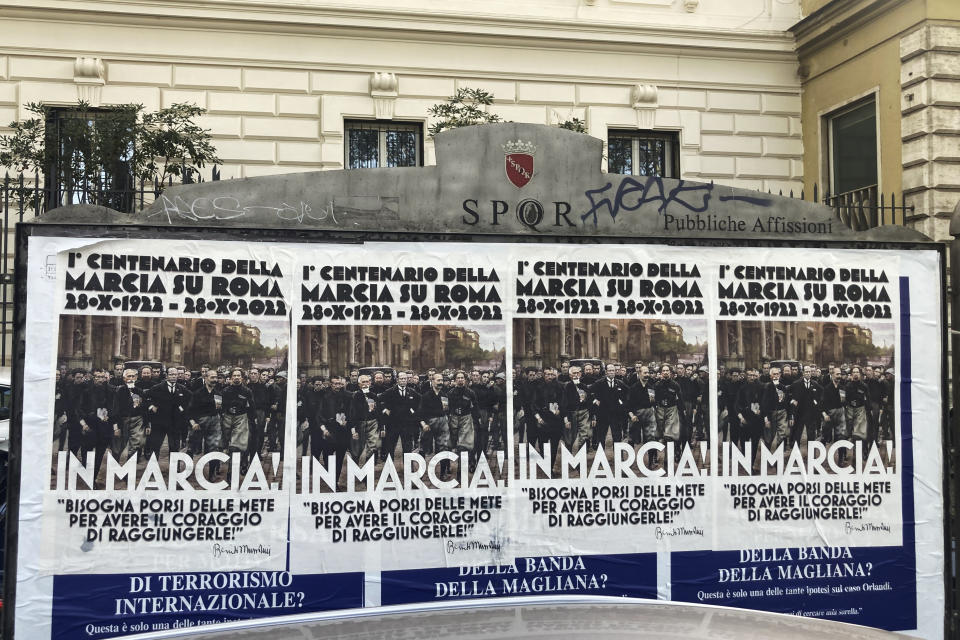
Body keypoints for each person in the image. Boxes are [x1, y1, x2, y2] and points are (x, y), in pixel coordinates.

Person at [187, 369, 223, 480]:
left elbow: (220, 409)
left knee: (214, 447)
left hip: (214, 422)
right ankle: (186, 472)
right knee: (191, 446)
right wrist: (193, 422)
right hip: (199, 422)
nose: (214, 380)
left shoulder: (218, 393)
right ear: (205, 378)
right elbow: (190, 410)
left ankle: (212, 473)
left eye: (216, 377)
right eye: (212, 377)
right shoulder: (197, 393)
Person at [627, 365, 657, 467]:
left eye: (648, 373)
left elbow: (653, 402)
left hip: (649, 414)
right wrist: (631, 415)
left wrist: (653, 406)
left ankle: (651, 462)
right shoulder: (633, 388)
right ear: (639, 374)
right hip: (636, 415)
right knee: (631, 438)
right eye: (645, 373)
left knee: (651, 437)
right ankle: (628, 463)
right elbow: (628, 404)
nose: (647, 375)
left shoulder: (651, 386)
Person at [349, 374, 380, 467]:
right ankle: (356, 469)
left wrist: (381, 427)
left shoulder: (373, 395)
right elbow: (352, 413)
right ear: (359, 384)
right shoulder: (355, 396)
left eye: (367, 382)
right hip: (359, 424)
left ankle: (367, 470)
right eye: (363, 382)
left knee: (372, 446)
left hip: (373, 423)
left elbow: (378, 411)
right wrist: (353, 429)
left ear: (370, 383)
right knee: (357, 449)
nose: (366, 384)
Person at [563, 365, 591, 453]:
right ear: (570, 375)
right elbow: (564, 403)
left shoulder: (584, 386)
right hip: (571, 413)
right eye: (574, 373)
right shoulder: (566, 387)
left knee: (584, 435)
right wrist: (566, 418)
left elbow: (589, 401)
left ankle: (580, 459)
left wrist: (592, 416)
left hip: (584, 412)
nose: (576, 375)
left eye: (577, 373)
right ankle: (568, 457)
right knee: (570, 437)